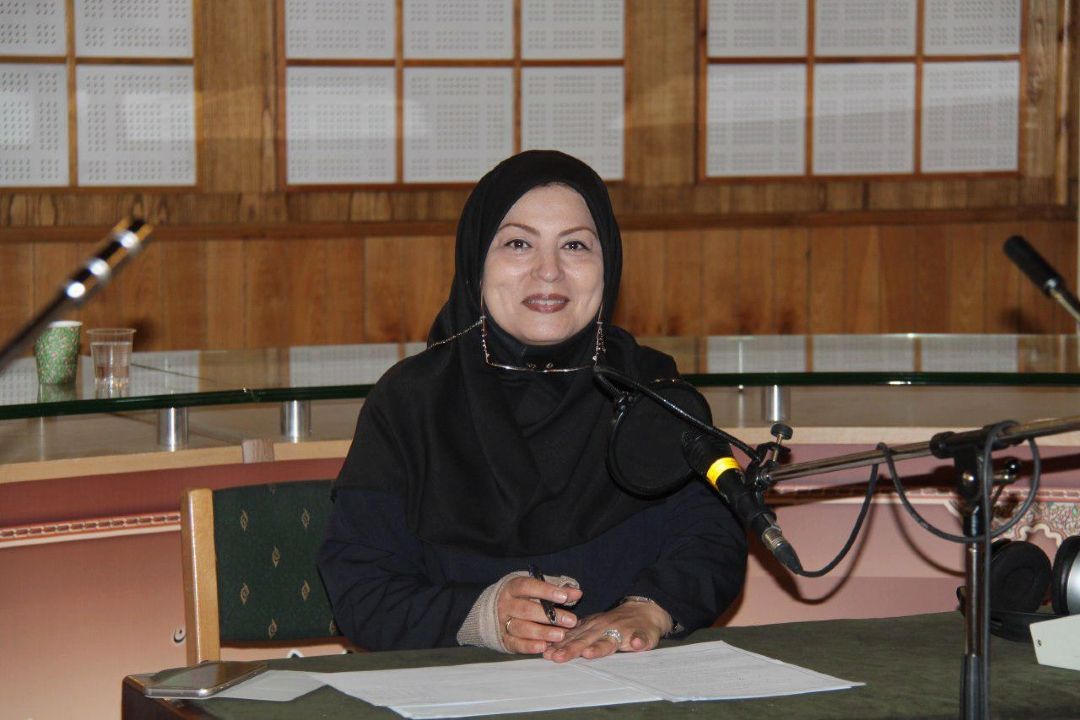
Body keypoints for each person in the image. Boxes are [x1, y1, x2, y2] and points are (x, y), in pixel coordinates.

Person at [318, 150, 746, 662]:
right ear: (477, 261)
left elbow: (713, 538)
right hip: (458, 685)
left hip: (625, 682)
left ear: (607, 262)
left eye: (575, 245)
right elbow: (360, 587)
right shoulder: (412, 401)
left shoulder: (650, 388)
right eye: (518, 244)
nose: (549, 272)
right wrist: (479, 617)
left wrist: (651, 609)